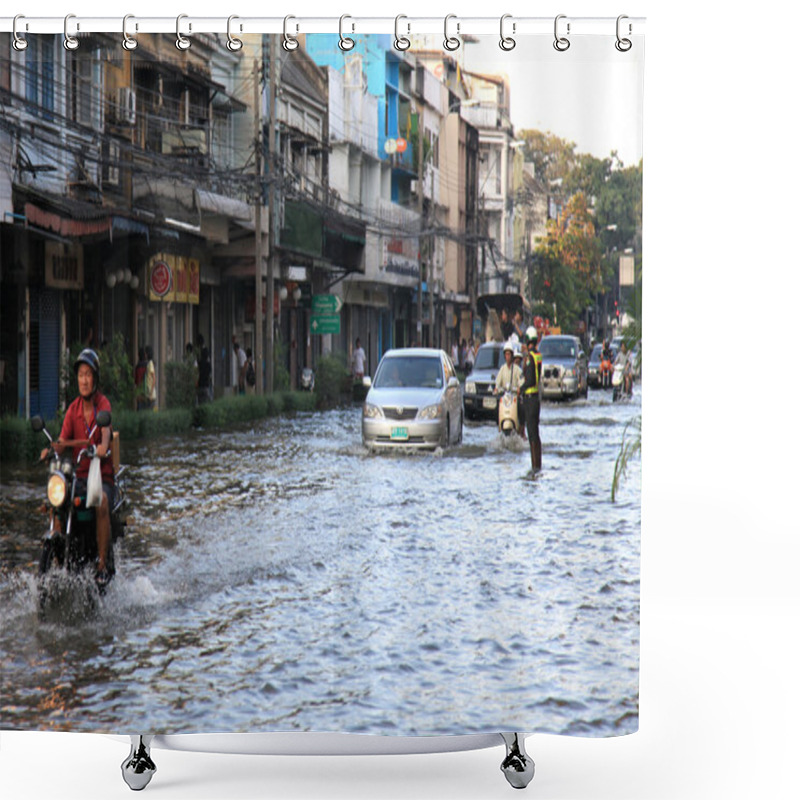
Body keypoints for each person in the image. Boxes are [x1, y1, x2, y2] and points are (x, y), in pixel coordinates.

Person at [42, 349, 114, 586]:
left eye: (88, 374)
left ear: (95, 378)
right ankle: (57, 552)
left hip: (100, 477)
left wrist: (102, 447)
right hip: (78, 478)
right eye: (81, 375)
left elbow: (105, 435)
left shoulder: (102, 405)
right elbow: (62, 442)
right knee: (56, 501)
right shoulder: (72, 410)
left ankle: (102, 564)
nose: (84, 380)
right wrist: (52, 449)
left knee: (101, 501)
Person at [522, 327, 543, 473]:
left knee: (532, 436)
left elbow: (530, 380)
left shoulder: (529, 357)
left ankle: (534, 467)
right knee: (536, 435)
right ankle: (538, 466)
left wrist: (520, 389)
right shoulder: (538, 355)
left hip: (530, 399)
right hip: (536, 399)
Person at [144, 345, 157, 410]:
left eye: (145, 353)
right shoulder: (148, 363)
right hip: (149, 394)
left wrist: (151, 393)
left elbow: (154, 378)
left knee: (153, 412)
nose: (145, 355)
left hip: (151, 395)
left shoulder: (150, 364)